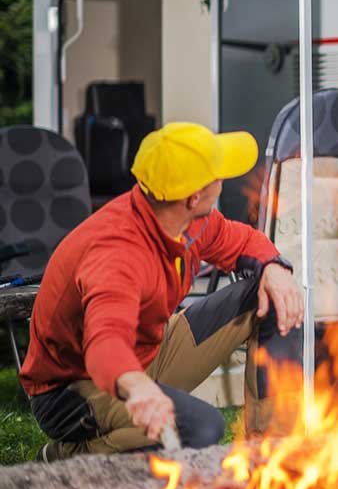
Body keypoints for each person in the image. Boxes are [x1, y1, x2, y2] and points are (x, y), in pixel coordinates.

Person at [20, 121, 304, 460]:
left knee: (273, 294)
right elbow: (105, 343)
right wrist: (139, 387)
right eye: (218, 173)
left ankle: (272, 453)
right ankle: (69, 456)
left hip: (147, 352)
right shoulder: (117, 253)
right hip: (75, 387)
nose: (225, 177)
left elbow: (242, 241)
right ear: (194, 196)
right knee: (200, 429)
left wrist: (274, 266)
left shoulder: (190, 220)